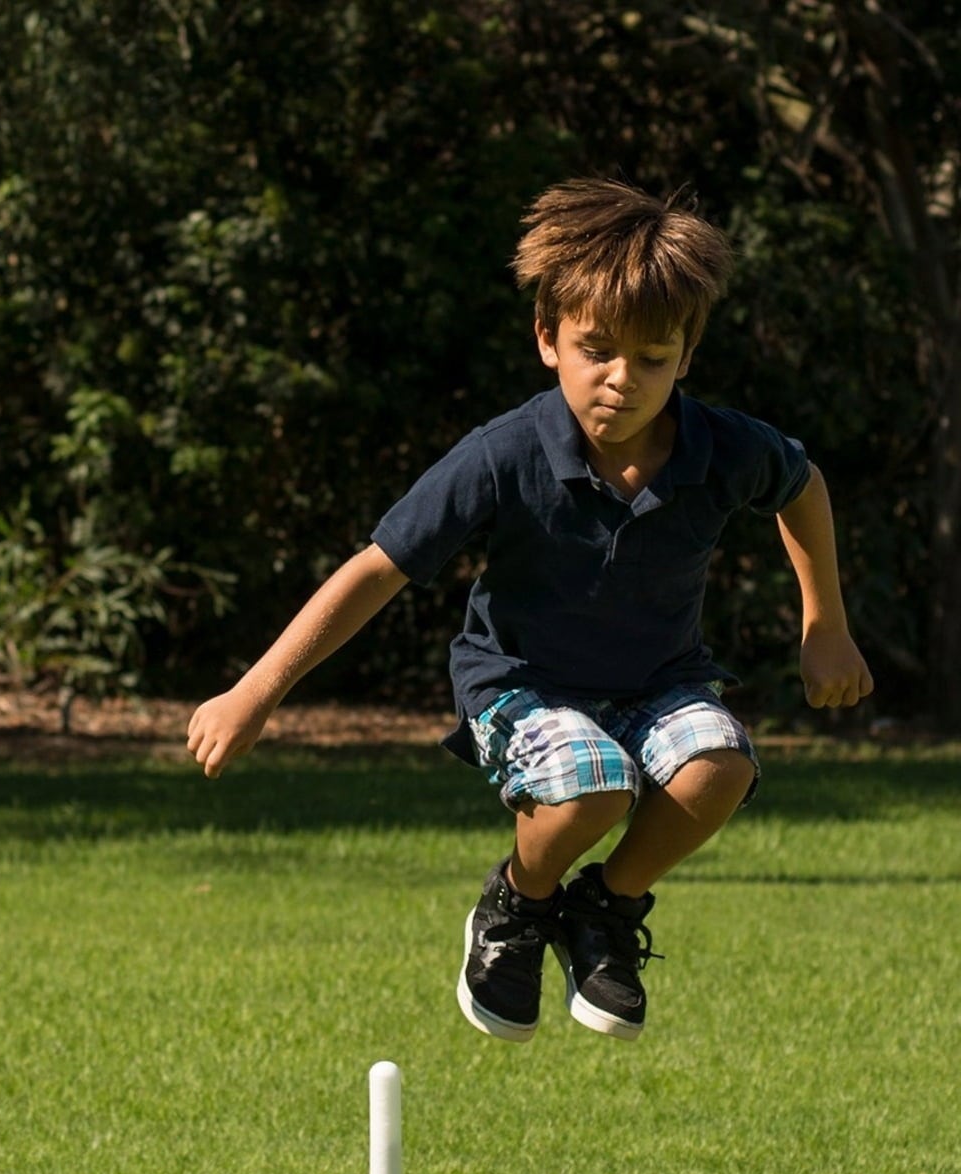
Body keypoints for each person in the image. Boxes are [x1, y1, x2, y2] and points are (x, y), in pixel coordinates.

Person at [187, 177, 873, 1045]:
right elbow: (377, 568)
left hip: (658, 682)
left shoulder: (724, 447)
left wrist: (825, 624)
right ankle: (517, 902)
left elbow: (802, 486)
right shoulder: (502, 455)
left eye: (652, 358)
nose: (622, 380)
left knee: (721, 764)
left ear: (686, 355)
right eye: (597, 350)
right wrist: (257, 691)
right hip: (521, 686)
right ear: (548, 338)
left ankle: (605, 909)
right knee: (594, 782)